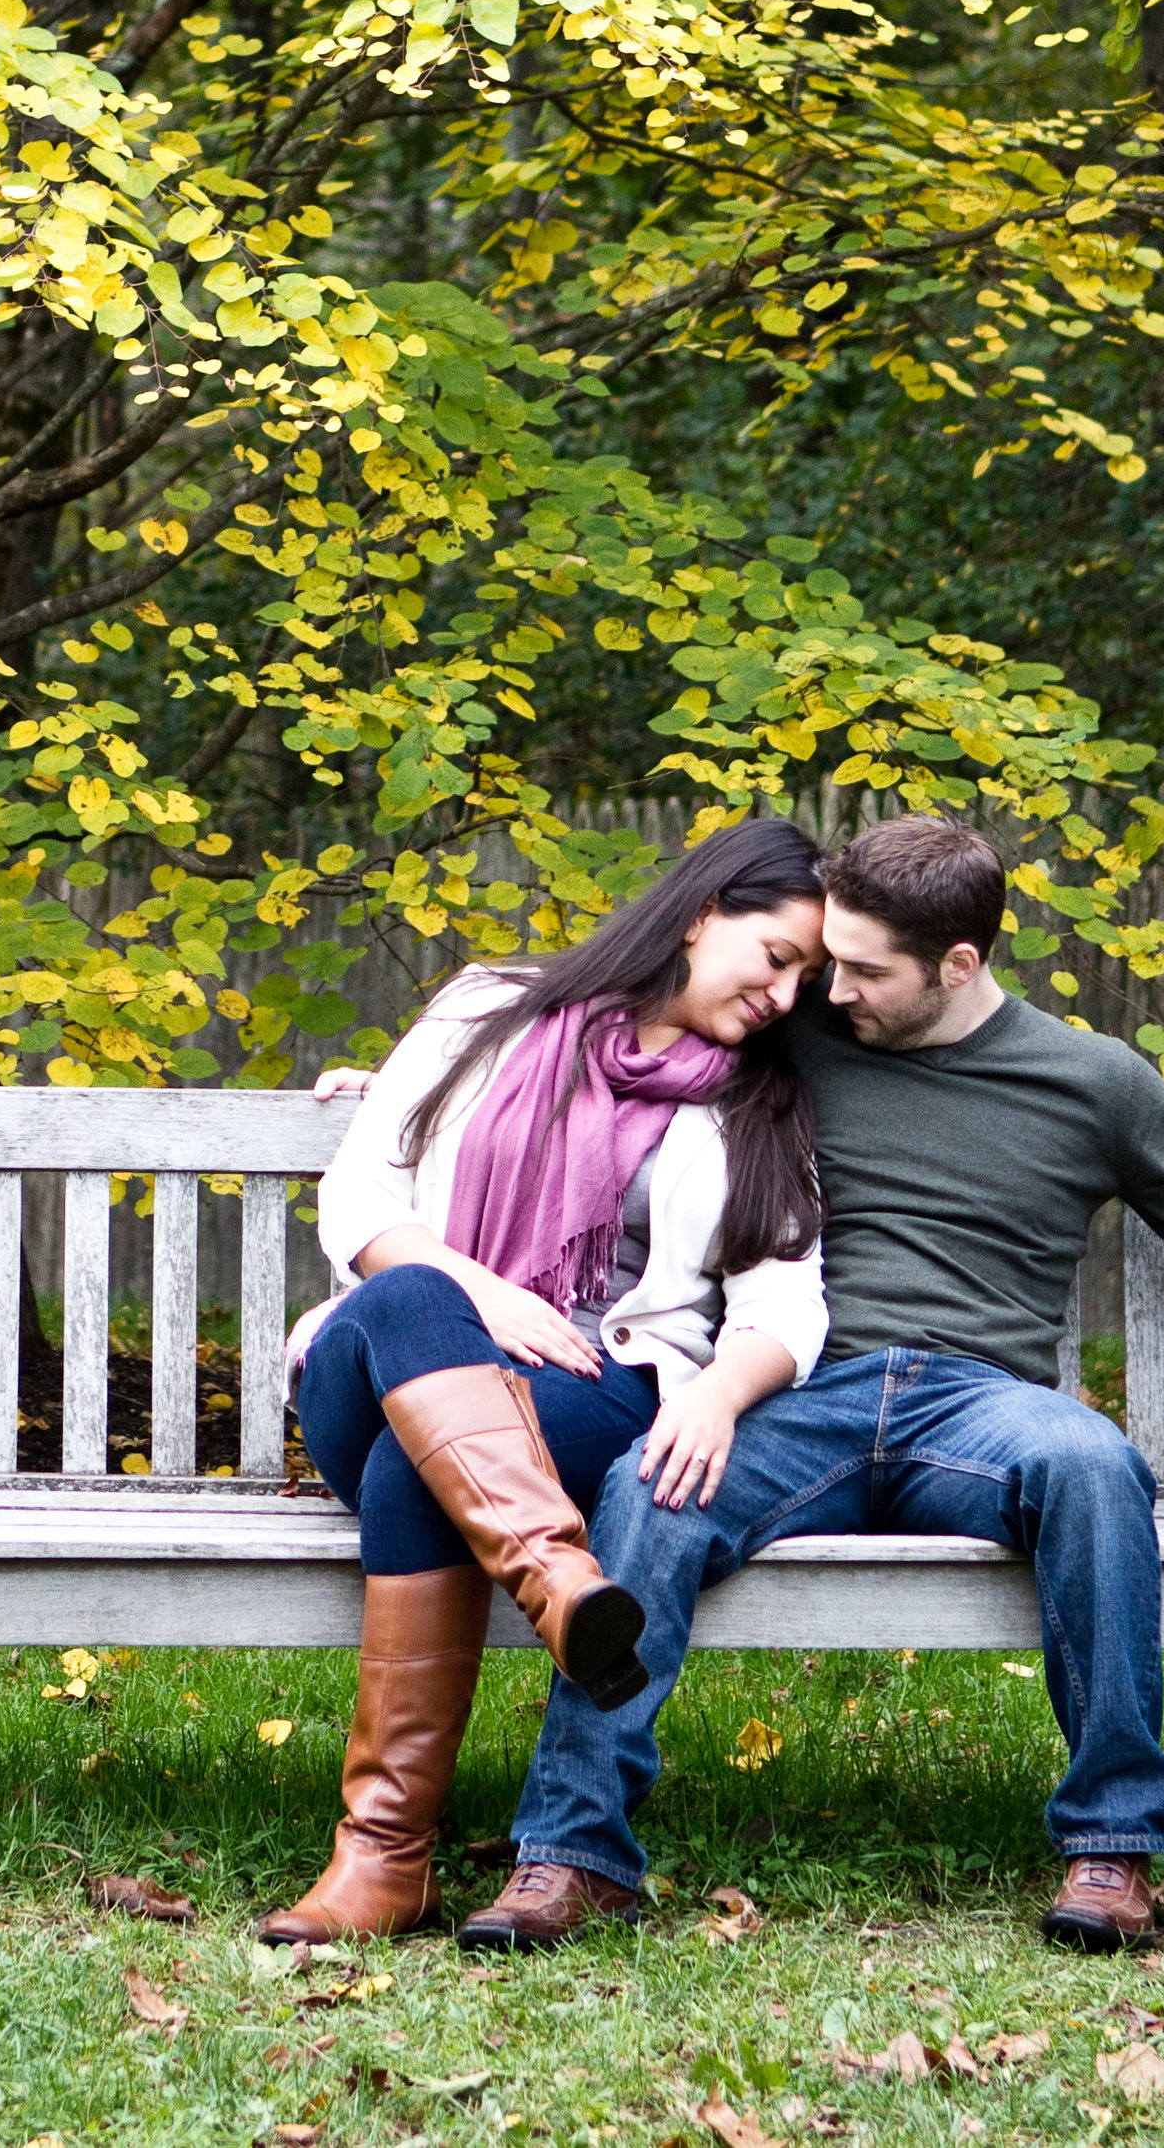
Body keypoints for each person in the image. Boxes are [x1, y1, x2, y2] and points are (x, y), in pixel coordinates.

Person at [458, 812, 1164, 1958]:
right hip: (803, 1396)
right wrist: (429, 1096)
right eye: (826, 956)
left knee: (1095, 1467)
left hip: (978, 1408)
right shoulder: (798, 1037)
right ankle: (574, 1856)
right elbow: (615, 1032)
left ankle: (1113, 1850)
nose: (828, 988)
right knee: (655, 1482)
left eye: (863, 969)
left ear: (958, 964)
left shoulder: (1091, 1082)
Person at [258, 819, 831, 1947]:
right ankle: (563, 1585)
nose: (784, 993)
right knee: (409, 1301)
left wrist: (715, 1394)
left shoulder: (755, 1106)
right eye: (775, 956)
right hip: (381, 1356)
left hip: (594, 1385)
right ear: (704, 912)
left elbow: (785, 1308)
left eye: (806, 978)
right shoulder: (488, 1012)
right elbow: (363, 1200)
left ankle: (383, 1863)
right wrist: (488, 1299)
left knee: (413, 1473)